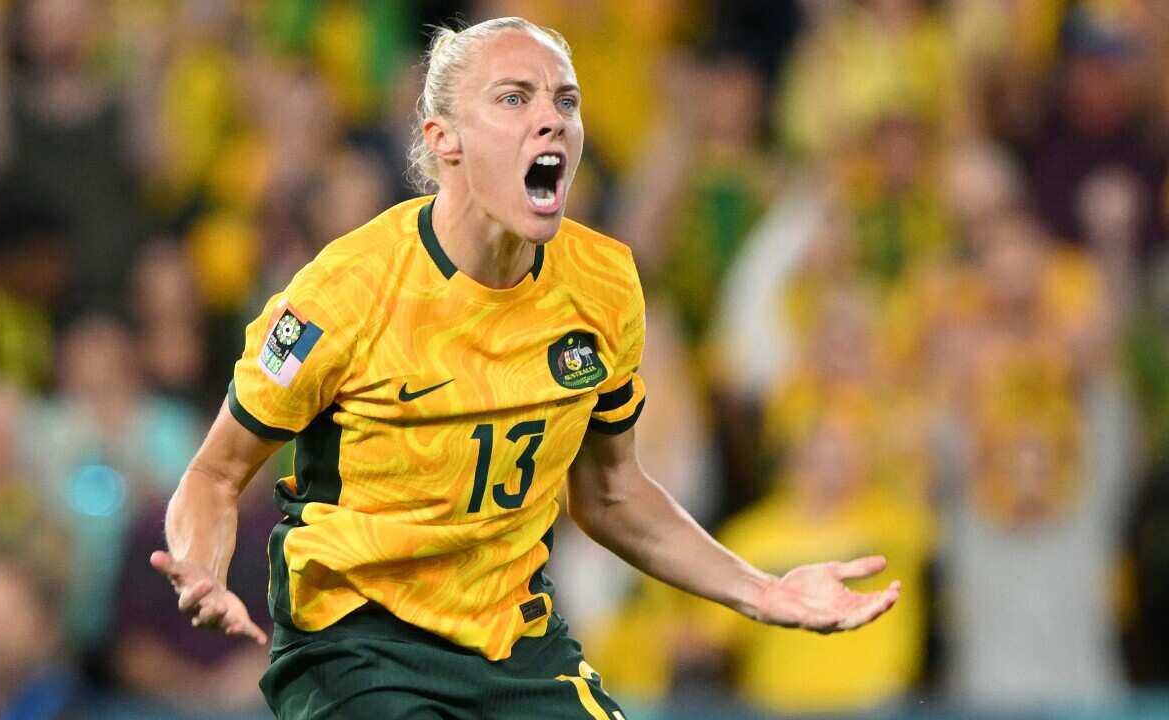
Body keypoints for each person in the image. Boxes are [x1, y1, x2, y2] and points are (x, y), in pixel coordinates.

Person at [151, 17, 901, 719]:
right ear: (442, 137)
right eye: (513, 98)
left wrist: (760, 591)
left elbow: (610, 495)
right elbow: (213, 478)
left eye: (564, 100)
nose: (551, 118)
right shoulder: (340, 294)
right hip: (357, 648)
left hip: (516, 649)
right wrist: (201, 568)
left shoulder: (603, 286)